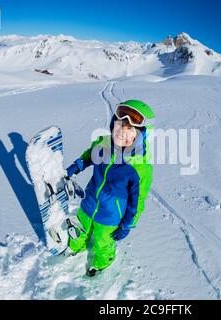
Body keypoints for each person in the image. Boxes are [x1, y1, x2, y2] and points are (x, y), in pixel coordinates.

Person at [66, 99, 155, 277]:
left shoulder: (139, 168)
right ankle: (74, 247)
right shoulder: (103, 145)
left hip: (111, 214)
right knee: (80, 227)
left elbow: (137, 201)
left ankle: (102, 261)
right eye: (119, 125)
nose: (122, 132)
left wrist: (128, 224)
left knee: (102, 240)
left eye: (130, 129)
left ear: (141, 135)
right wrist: (76, 167)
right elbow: (88, 156)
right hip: (90, 201)